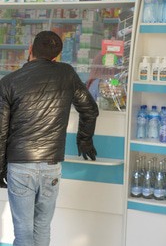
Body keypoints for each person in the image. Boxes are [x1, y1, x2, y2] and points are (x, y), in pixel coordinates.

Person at [0, 31, 99, 246]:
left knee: (23, 232)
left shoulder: (9, 82)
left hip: (20, 166)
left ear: (30, 50)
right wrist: (84, 140)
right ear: (58, 55)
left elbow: (1, 131)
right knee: (42, 227)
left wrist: (0, 170)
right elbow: (90, 109)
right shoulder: (66, 73)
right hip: (51, 165)